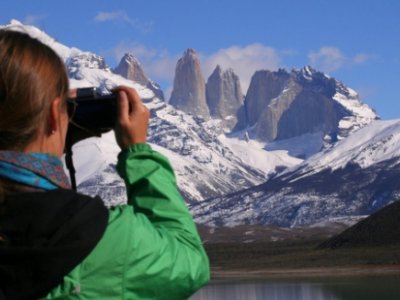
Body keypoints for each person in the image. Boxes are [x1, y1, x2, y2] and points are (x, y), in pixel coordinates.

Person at [0, 30, 209, 299]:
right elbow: (189, 261)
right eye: (65, 110)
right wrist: (138, 152)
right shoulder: (101, 238)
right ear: (55, 114)